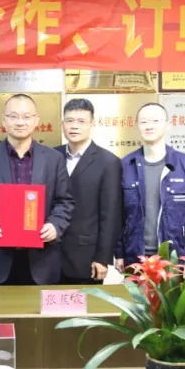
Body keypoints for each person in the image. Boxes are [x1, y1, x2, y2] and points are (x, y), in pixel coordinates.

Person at [0, 94, 74, 285]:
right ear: (4, 120)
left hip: (42, 259)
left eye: (26, 116)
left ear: (36, 120)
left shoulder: (53, 159)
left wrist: (55, 225)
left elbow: (64, 201)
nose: (20, 122)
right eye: (13, 116)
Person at [116, 103, 185, 271]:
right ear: (136, 126)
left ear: (168, 125)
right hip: (136, 258)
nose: (149, 126)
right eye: (144, 122)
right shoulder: (126, 165)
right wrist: (119, 253)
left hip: (175, 259)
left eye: (155, 121)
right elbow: (118, 215)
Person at [53, 98, 122, 283]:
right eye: (69, 120)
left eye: (81, 121)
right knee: (48, 301)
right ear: (62, 123)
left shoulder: (108, 162)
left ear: (92, 124)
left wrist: (103, 258)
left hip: (86, 257)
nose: (74, 126)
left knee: (83, 302)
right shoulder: (51, 156)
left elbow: (110, 215)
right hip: (48, 255)